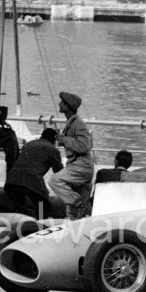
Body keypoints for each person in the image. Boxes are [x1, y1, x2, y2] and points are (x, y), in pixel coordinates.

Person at [49, 92, 94, 220]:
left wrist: (65, 140)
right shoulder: (71, 123)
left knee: (55, 180)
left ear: (68, 106)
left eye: (62, 102)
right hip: (78, 166)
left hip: (81, 166)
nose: (59, 104)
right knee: (74, 214)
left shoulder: (78, 124)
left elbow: (85, 146)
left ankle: (79, 203)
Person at [5, 128, 63, 218]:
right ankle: (41, 224)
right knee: (42, 204)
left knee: (19, 208)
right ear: (54, 140)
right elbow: (59, 171)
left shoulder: (28, 144)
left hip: (12, 180)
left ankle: (20, 226)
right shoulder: (53, 149)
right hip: (31, 181)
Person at [0, 105, 19, 173]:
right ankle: (12, 171)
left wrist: (1, 121)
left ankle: (13, 168)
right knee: (10, 137)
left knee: (11, 134)